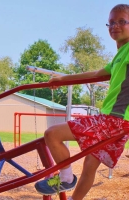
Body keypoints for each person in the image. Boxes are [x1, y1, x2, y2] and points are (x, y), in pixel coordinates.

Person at [35, 4, 129, 200]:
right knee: (89, 166)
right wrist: (62, 79)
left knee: (52, 134)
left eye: (122, 21)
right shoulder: (120, 55)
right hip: (116, 122)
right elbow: (95, 74)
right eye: (111, 22)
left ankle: (66, 178)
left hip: (114, 120)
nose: (115, 26)